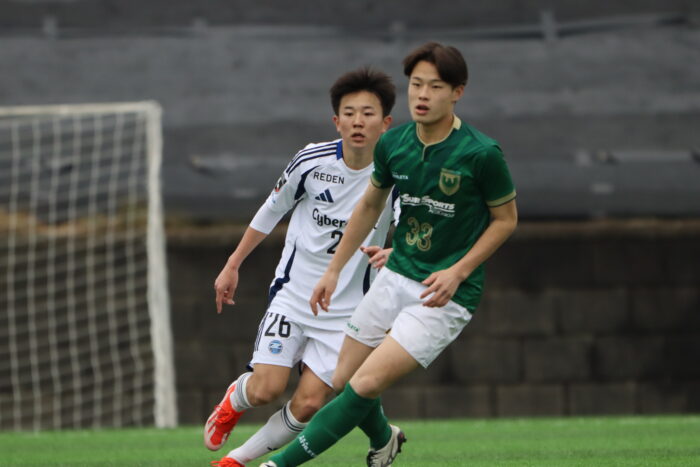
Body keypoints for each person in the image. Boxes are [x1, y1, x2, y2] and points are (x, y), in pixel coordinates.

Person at [261, 41, 518, 467]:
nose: (422, 95)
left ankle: (277, 465)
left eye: (435, 86)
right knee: (342, 379)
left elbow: (506, 220)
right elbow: (369, 206)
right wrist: (333, 271)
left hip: (444, 295)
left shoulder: (481, 153)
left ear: (457, 92)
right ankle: (385, 439)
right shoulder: (393, 143)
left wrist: (458, 271)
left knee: (364, 384)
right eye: (416, 84)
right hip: (395, 277)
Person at [205, 67, 397, 467]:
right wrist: (233, 263)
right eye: (349, 113)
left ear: (386, 123)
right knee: (265, 389)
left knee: (309, 402)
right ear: (336, 121)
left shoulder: (397, 174)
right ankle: (235, 399)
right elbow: (271, 209)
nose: (358, 122)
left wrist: (395, 253)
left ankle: (236, 461)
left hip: (349, 311)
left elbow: (413, 227)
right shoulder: (311, 160)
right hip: (294, 295)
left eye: (368, 113)